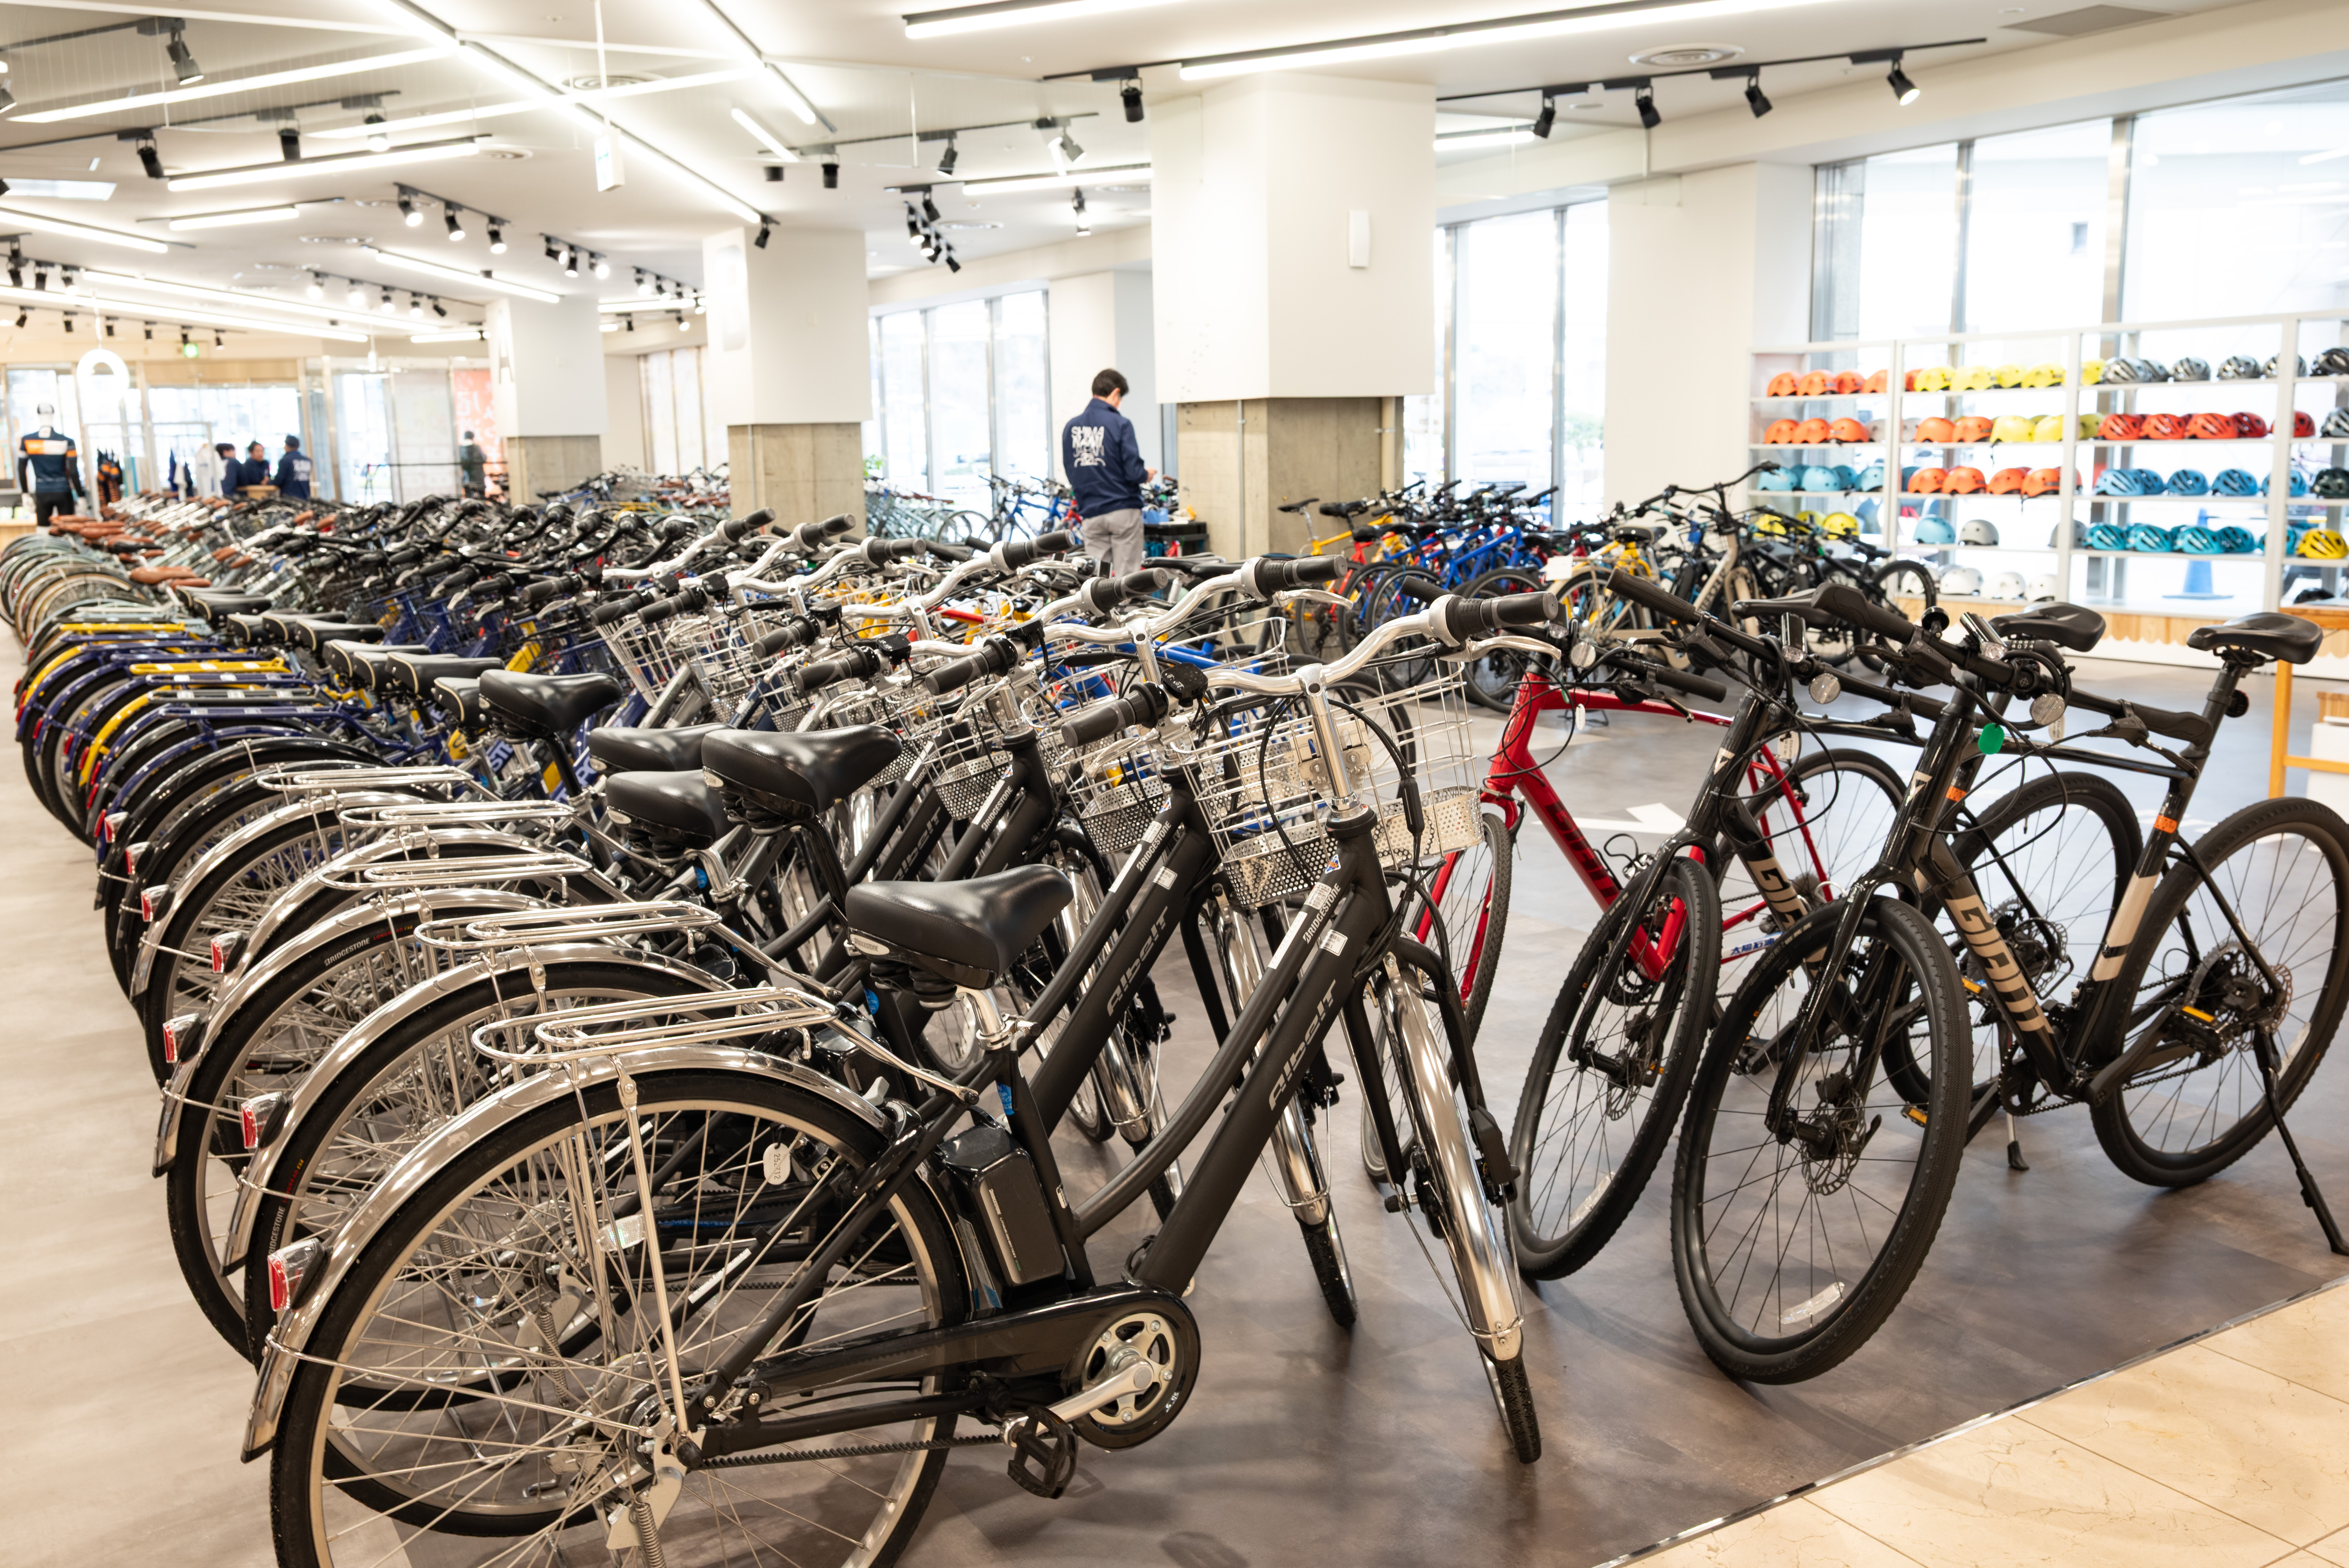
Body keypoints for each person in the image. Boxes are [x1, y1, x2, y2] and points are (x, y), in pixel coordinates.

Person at [1060, 368, 1154, 576]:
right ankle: (1127, 609)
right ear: (1115, 393)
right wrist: (1146, 475)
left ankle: (1102, 610)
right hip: (1123, 511)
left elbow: (1071, 469)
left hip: (1091, 513)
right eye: (1120, 398)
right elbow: (1133, 472)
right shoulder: (1121, 424)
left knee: (1099, 580)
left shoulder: (1071, 427)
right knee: (1127, 578)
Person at [15, 402, 86, 527]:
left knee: (43, 531)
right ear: (54, 415)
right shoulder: (66, 441)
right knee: (68, 529)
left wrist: (25, 494)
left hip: (42, 492)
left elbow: (21, 469)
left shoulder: (27, 441)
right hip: (63, 491)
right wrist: (81, 496)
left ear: (38, 415)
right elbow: (74, 471)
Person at [273, 435, 314, 500]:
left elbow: (278, 481)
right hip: (306, 499)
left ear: (287, 446)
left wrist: (268, 482)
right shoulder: (308, 461)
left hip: (290, 501)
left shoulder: (285, 461)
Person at [458, 430, 487, 496]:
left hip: (466, 477)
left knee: (468, 497)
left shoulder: (460, 448)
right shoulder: (476, 447)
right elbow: (484, 459)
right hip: (478, 477)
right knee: (482, 497)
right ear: (473, 437)